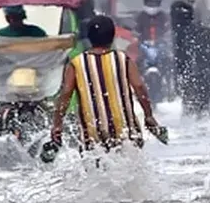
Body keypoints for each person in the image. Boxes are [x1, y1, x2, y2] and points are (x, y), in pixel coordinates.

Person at [49, 14, 161, 153]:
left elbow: (65, 94)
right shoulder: (123, 59)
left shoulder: (76, 64)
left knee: (96, 167)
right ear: (112, 36)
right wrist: (148, 115)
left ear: (89, 37)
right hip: (125, 130)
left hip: (92, 134)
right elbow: (139, 87)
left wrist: (57, 125)